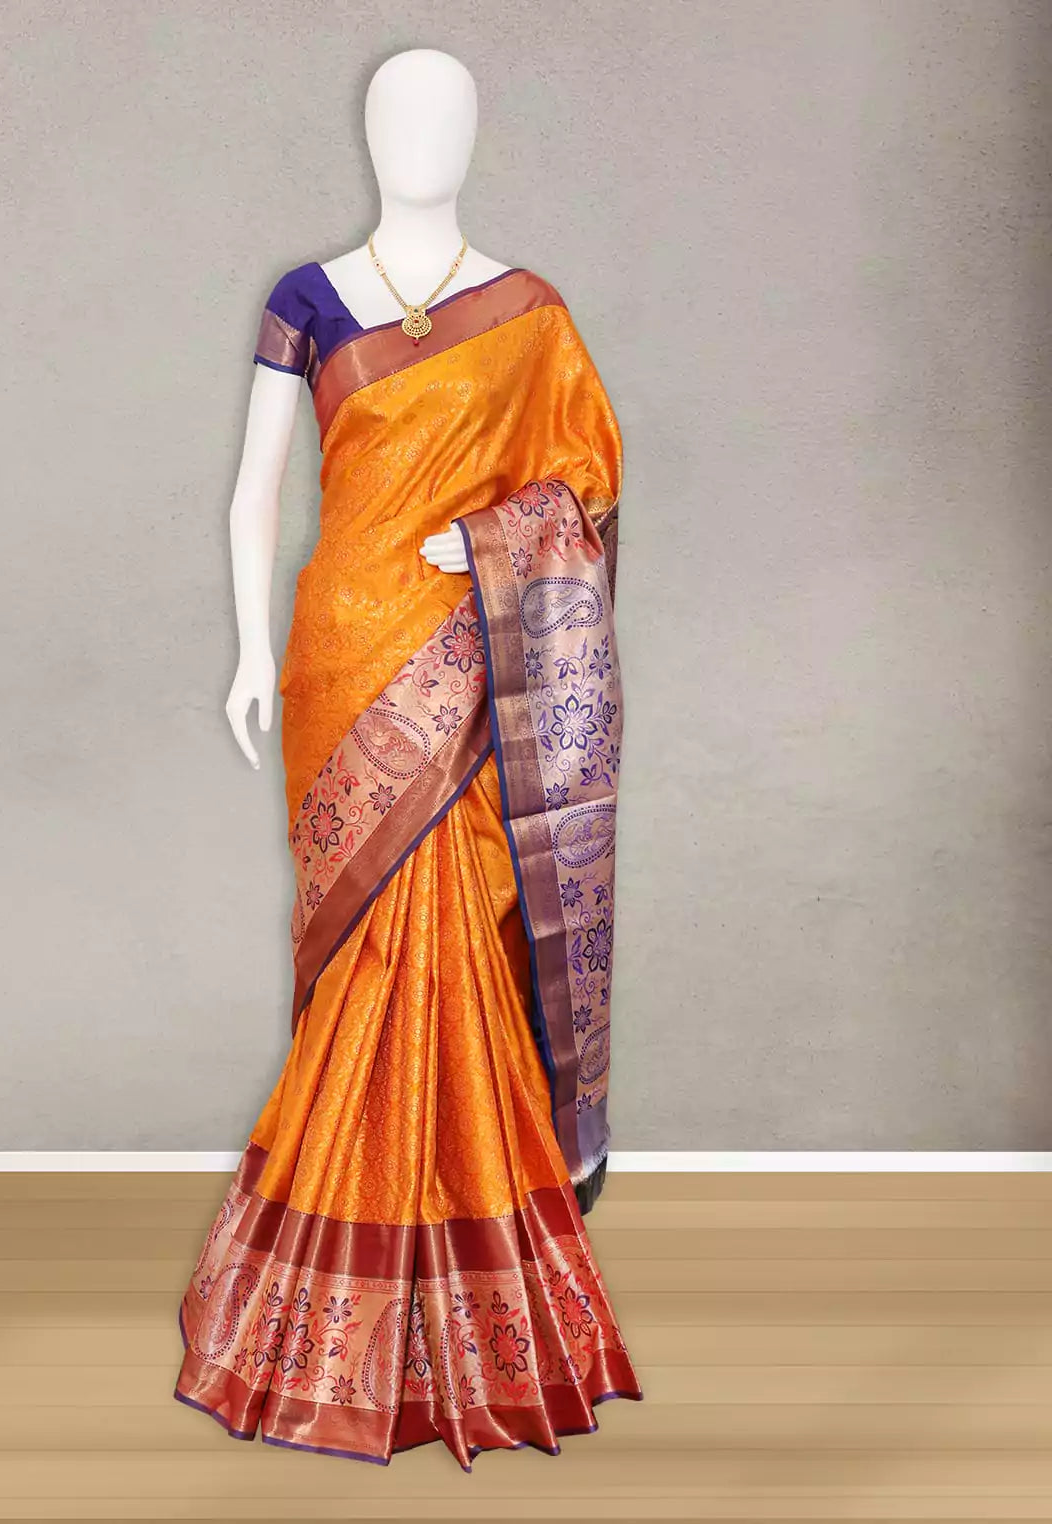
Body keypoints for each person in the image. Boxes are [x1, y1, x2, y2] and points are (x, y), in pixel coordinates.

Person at [172, 48, 642, 1470]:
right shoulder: (308, 300)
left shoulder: (529, 310)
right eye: (399, 115)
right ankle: (328, 1310)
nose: (420, 138)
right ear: (368, 133)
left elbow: (587, 483)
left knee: (459, 935)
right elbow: (254, 494)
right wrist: (250, 653)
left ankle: (470, 1304)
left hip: (470, 657)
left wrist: (490, 542)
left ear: (477, 135)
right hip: (345, 656)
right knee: (365, 949)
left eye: (445, 116)